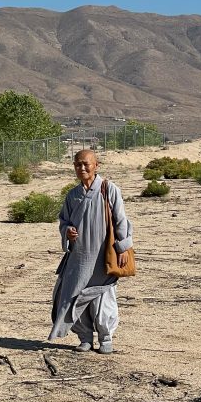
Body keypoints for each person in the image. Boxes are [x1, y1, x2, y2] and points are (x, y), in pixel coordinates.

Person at [49, 149, 133, 353]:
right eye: (78, 164)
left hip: (103, 256)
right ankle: (85, 338)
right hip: (78, 257)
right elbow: (64, 221)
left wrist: (122, 247)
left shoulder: (109, 189)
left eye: (86, 164)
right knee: (73, 296)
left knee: (103, 298)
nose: (82, 168)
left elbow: (121, 219)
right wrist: (67, 231)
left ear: (97, 165)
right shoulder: (72, 195)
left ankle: (106, 339)